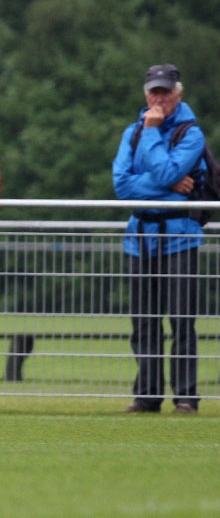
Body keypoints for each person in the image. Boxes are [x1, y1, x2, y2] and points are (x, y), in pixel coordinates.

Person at [112, 64, 201, 414]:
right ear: (145, 93)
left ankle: (186, 397)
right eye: (154, 91)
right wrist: (167, 185)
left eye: (165, 91)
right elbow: (122, 186)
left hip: (181, 238)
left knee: (182, 321)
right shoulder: (130, 132)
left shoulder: (191, 134)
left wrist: (151, 134)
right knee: (144, 321)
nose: (159, 97)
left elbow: (162, 171)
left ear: (178, 94)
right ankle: (147, 396)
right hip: (139, 239)